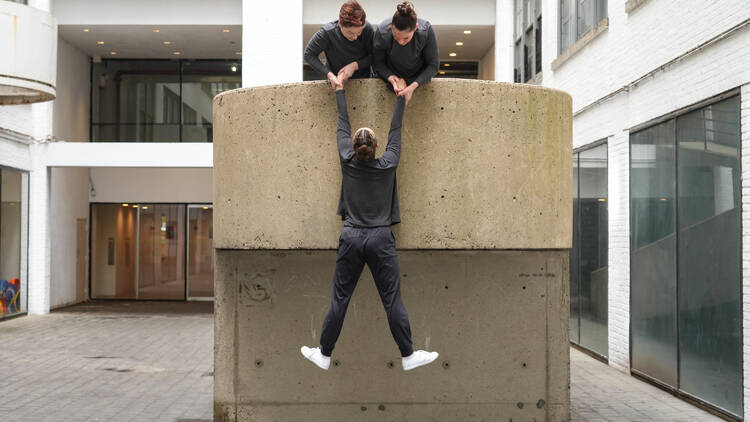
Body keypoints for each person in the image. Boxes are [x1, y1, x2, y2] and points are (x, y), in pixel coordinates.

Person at [300, 78, 439, 372]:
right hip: (380, 238)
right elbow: (396, 130)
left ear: (353, 147)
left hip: (351, 236)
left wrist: (339, 91)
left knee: (340, 298)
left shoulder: (347, 160)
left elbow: (342, 123)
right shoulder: (388, 163)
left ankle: (324, 354)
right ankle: (408, 354)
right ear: (376, 147)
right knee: (392, 301)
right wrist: (402, 99)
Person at [372, 1, 439, 105]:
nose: (401, 42)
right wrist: (392, 78)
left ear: (415, 28)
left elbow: (433, 66)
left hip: (418, 80)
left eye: (406, 38)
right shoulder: (382, 32)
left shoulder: (425, 31)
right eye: (396, 37)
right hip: (390, 79)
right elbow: (377, 63)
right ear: (391, 26)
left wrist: (412, 86)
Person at [303, 0, 374, 90]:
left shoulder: (367, 29)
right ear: (340, 24)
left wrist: (355, 66)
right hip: (336, 82)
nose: (355, 37)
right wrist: (329, 75)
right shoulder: (327, 33)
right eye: (350, 33)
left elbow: (376, 56)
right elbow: (308, 54)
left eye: (359, 32)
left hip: (364, 81)